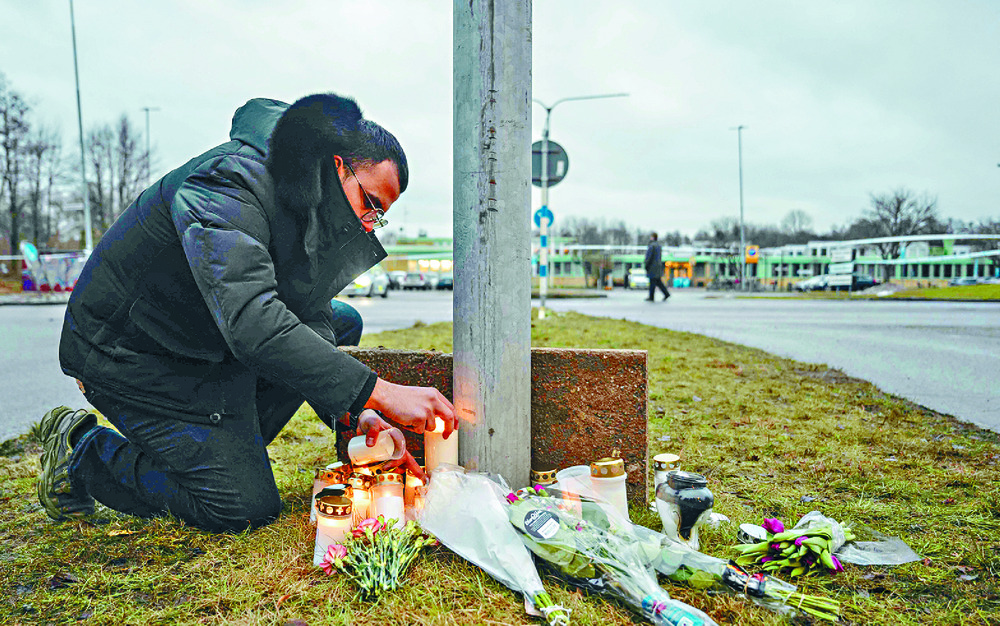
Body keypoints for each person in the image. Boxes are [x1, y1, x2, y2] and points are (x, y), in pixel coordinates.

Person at [35, 93, 456, 532]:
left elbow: (306, 313)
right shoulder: (231, 183)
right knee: (241, 509)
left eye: (379, 218)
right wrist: (381, 393)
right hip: (130, 353)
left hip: (200, 340)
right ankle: (81, 451)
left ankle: (225, 447)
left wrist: (353, 412)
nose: (369, 225)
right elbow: (253, 320)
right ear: (336, 166)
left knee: (342, 321)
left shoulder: (305, 206)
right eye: (370, 204)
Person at [644, 231, 670, 301]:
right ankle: (666, 293)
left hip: (652, 267)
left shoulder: (651, 246)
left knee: (652, 282)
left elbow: (649, 257)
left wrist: (646, 265)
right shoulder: (659, 246)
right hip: (658, 266)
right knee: (658, 282)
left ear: (652, 237)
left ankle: (651, 297)